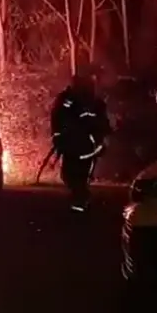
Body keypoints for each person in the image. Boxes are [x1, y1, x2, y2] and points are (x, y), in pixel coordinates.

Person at [50, 72, 111, 212]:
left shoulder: (94, 102)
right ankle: (80, 198)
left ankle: (80, 200)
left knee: (79, 175)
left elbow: (102, 122)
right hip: (72, 145)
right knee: (69, 174)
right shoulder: (67, 99)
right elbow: (58, 117)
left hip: (86, 146)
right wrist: (58, 136)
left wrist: (101, 137)